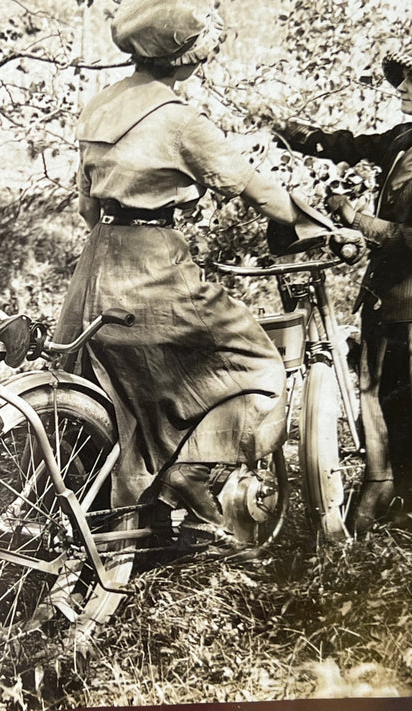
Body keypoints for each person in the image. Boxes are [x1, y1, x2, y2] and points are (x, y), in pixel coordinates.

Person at [55, 0, 363, 546]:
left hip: (94, 267)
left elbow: (84, 208)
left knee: (117, 391)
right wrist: (320, 226)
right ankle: (190, 473)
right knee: (257, 364)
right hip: (153, 268)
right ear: (182, 59)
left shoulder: (99, 107)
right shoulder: (177, 119)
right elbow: (253, 188)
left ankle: (133, 528)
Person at [274, 47, 412, 533]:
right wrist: (287, 130)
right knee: (375, 399)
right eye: (401, 78)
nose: (401, 88)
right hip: (383, 301)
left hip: (409, 309)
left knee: (403, 405)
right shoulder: (401, 138)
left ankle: (394, 509)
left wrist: (357, 220)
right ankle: (382, 493)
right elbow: (348, 145)